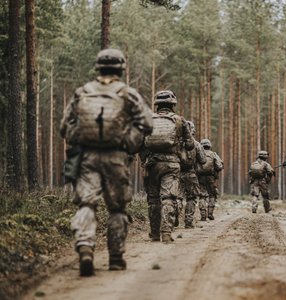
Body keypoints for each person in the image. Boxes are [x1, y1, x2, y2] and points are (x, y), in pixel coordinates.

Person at [60, 48, 153, 276]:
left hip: (87, 157)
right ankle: (115, 257)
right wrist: (129, 143)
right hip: (116, 157)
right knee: (117, 208)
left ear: (98, 67)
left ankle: (85, 247)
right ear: (121, 68)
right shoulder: (127, 93)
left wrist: (80, 138)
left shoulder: (82, 92)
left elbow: (64, 126)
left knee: (86, 203)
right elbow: (147, 123)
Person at [141, 90, 194, 243]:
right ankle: (166, 232)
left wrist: (145, 160)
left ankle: (154, 234)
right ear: (173, 104)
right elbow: (190, 145)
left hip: (151, 164)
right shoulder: (179, 120)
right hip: (171, 164)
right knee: (169, 198)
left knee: (153, 199)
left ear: (157, 104)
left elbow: (139, 143)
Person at [180, 121, 207, 228]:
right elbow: (203, 160)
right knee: (191, 198)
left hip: (176, 173)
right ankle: (188, 221)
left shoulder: (177, 142)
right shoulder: (196, 144)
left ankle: (173, 217)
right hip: (191, 174)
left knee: (176, 197)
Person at [197, 138, 224, 221]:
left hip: (200, 177)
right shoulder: (213, 154)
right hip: (211, 178)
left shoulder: (198, 154)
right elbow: (219, 166)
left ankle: (203, 215)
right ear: (209, 146)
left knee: (202, 195)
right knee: (212, 195)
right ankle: (210, 213)